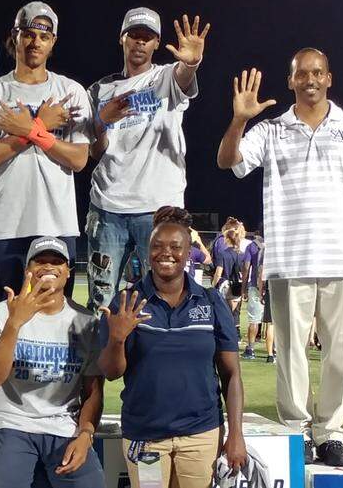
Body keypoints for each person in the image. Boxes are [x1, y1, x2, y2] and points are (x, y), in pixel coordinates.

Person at [217, 52, 343, 467]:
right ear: (291, 81)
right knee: (290, 353)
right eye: (301, 74)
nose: (310, 79)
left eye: (317, 72)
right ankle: (296, 432)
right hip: (289, 258)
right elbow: (228, 161)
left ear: (329, 77)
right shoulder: (272, 129)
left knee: (340, 354)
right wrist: (240, 119)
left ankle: (330, 433)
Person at [98, 206, 245, 487]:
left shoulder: (211, 301)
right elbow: (110, 372)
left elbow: (231, 375)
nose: (166, 253)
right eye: (157, 246)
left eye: (176, 246)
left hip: (201, 434)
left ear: (189, 251)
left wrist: (236, 433)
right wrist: (117, 339)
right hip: (146, 435)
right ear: (148, 249)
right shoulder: (127, 302)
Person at [85, 9, 210, 310]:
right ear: (122, 39)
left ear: (156, 43)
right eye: (134, 35)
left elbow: (183, 76)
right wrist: (101, 120)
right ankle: (99, 358)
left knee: (160, 301)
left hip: (158, 210)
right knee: (100, 301)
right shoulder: (100, 89)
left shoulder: (164, 77)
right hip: (107, 206)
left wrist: (190, 63)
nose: (140, 43)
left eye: (148, 37)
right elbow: (93, 151)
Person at [0, 1, 89, 305]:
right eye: (28, 33)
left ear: (53, 43)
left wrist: (30, 130)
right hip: (8, 226)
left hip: (58, 225)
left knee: (55, 322)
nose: (35, 42)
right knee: (6, 320)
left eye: (44, 36)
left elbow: (78, 159)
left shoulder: (71, 92)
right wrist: (37, 128)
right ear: (16, 36)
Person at [0, 237, 104, 488]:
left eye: (57, 262)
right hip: (13, 422)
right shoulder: (1, 313)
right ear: (28, 270)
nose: (49, 267)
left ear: (68, 272)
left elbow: (93, 391)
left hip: (64, 426)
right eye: (41, 261)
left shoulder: (86, 321)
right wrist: (14, 324)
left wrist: (86, 434)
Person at [210, 219, 246, 314]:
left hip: (224, 284)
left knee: (223, 313)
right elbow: (244, 271)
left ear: (227, 238)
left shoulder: (222, 253)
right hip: (236, 285)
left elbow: (218, 272)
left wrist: (213, 286)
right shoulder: (242, 254)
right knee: (233, 314)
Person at [241, 232, 265, 360]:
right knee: (272, 322)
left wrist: (243, 288)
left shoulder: (252, 246)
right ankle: (273, 351)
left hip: (255, 285)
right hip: (273, 285)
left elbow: (246, 267)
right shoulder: (275, 244)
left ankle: (250, 348)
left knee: (254, 319)